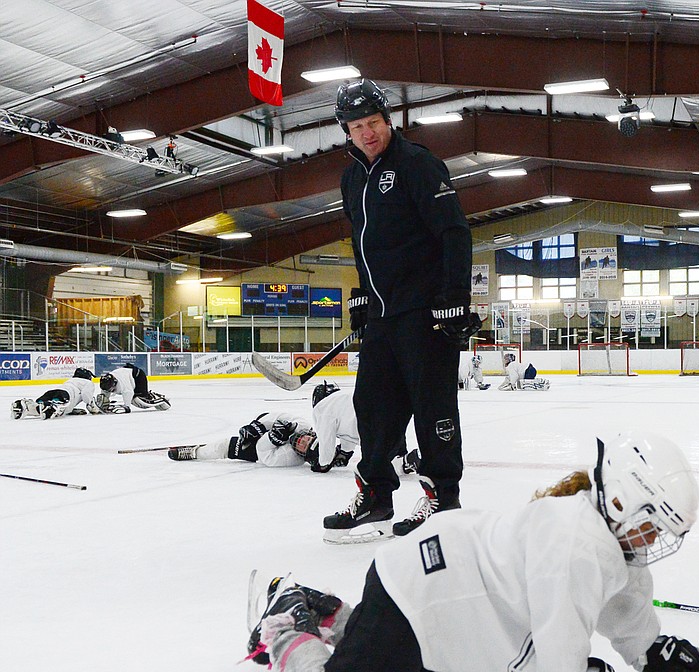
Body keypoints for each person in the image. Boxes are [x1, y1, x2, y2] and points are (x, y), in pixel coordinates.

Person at [245, 432, 699, 672]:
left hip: (442, 597)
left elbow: (626, 608)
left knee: (407, 671)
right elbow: (561, 647)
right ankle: (286, 613)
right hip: (418, 596)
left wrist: (660, 656)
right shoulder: (576, 544)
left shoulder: (609, 537)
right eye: (653, 524)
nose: (655, 539)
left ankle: (333, 612)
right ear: (622, 500)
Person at [326, 78, 479, 543]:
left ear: (387, 120)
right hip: (382, 316)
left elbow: (453, 233)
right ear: (346, 131)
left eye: (373, 122)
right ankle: (375, 495)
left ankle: (441, 495)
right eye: (357, 126)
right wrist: (361, 296)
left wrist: (454, 298)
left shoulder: (418, 165)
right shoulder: (352, 178)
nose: (367, 132)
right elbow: (363, 247)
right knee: (371, 407)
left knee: (432, 405)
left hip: (425, 311)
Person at [311, 381, 422, 542]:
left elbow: (326, 446)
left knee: (377, 464)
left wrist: (321, 465)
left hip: (370, 428)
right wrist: (344, 453)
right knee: (388, 455)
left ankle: (400, 468)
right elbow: (347, 431)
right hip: (388, 416)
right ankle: (405, 460)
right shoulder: (342, 399)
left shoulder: (322, 409)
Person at [168, 411, 317, 467]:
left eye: (303, 446)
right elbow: (275, 416)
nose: (301, 441)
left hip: (260, 450)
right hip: (267, 431)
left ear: (302, 454)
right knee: (259, 422)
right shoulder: (302, 425)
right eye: (307, 440)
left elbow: (263, 454)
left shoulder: (290, 458)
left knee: (224, 447)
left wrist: (272, 439)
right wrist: (256, 426)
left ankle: (194, 453)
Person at [10, 368, 97, 419]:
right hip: (67, 394)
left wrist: (72, 410)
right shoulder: (88, 383)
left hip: (55, 391)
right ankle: (47, 406)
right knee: (55, 405)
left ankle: (26, 406)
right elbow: (86, 396)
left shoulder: (71, 380)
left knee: (40, 404)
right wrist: (92, 405)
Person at [96, 363, 170, 412]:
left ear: (115, 383)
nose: (111, 391)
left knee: (139, 401)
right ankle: (151, 395)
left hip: (138, 376)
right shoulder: (105, 383)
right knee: (135, 399)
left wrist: (126, 407)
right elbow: (104, 395)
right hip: (127, 373)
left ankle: (161, 399)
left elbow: (129, 393)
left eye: (111, 389)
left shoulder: (122, 383)